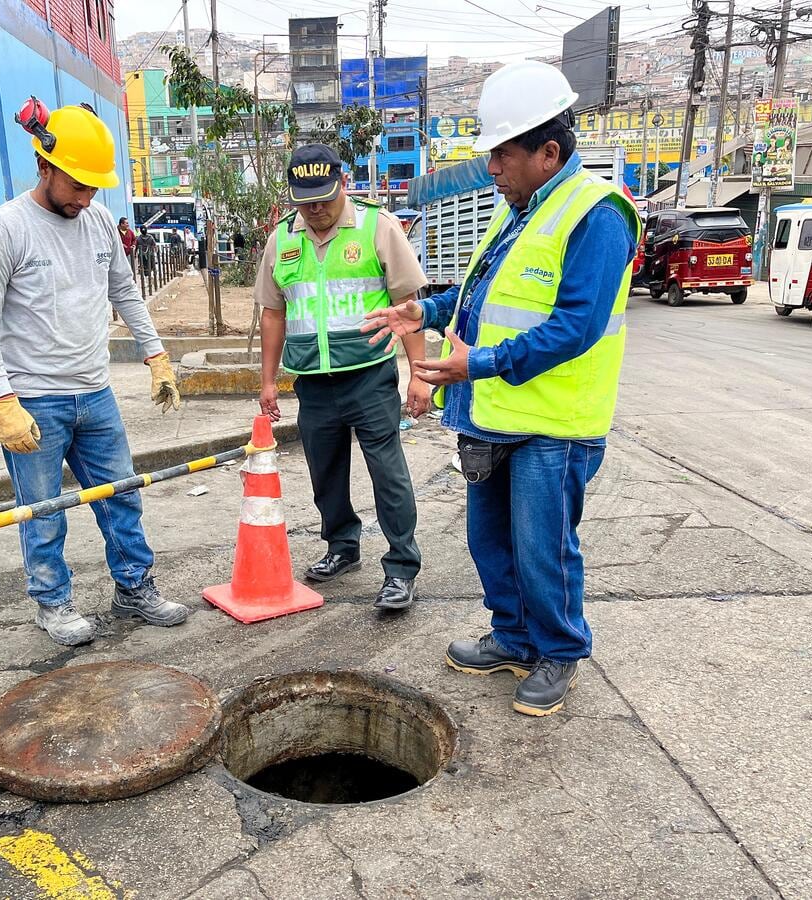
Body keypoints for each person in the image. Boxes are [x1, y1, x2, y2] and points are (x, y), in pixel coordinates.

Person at [363, 62, 640, 716]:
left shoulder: (597, 215)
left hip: (554, 423)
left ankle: (559, 652)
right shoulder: (518, 209)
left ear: (549, 153)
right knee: (490, 542)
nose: (492, 168)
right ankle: (514, 637)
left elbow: (576, 327)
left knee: (543, 550)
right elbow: (480, 293)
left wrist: (477, 365)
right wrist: (424, 313)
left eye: (503, 155)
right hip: (495, 415)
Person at [0, 98, 187, 647]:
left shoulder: (97, 226)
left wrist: (156, 355)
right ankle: (52, 602)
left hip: (95, 393)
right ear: (43, 165)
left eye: (94, 188)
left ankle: (134, 588)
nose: (86, 199)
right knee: (43, 514)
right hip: (33, 399)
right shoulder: (4, 229)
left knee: (122, 496)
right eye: (77, 186)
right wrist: (0, 401)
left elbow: (124, 291)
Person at [255, 144, 429, 612]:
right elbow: (274, 313)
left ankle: (400, 568)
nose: (315, 209)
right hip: (312, 383)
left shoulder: (378, 227)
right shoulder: (282, 240)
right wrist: (269, 381)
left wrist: (419, 375)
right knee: (325, 476)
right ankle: (342, 546)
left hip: (369, 377)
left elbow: (408, 305)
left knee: (388, 474)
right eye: (305, 199)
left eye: (324, 198)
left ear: (343, 185)